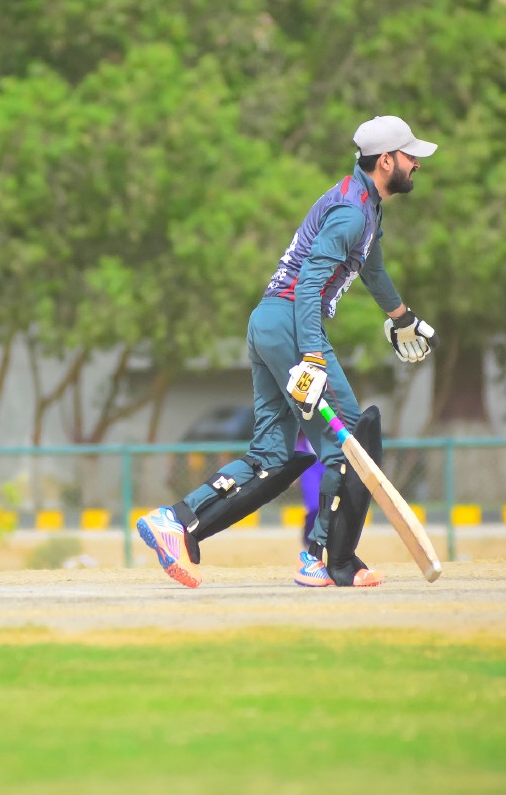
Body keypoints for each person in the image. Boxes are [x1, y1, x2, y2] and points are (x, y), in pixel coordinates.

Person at [137, 115, 438, 588]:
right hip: (293, 324)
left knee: (272, 455)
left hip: (269, 322)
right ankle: (324, 559)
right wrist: (313, 356)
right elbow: (310, 284)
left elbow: (374, 272)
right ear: (386, 161)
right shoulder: (351, 212)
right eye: (409, 155)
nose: (416, 163)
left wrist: (403, 318)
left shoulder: (366, 207)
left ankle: (175, 520)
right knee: (348, 443)